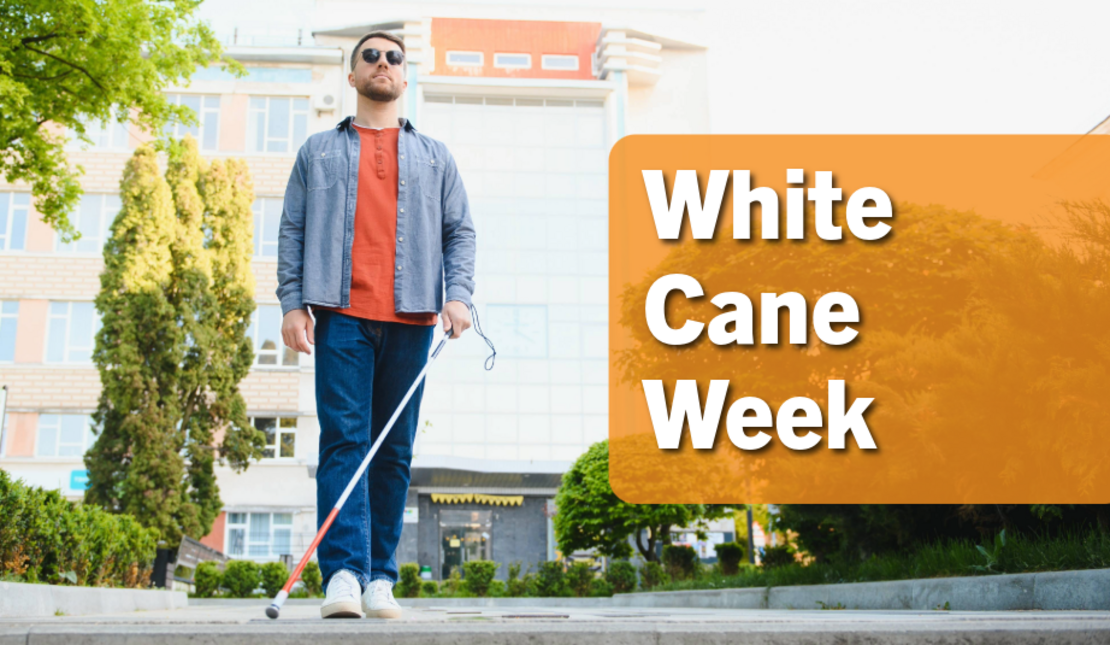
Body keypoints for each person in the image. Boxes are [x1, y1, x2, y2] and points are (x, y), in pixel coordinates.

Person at [276, 30, 476, 619]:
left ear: (404, 76)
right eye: (370, 56)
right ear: (353, 74)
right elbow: (291, 229)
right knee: (344, 442)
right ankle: (343, 574)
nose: (382, 62)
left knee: (393, 452)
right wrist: (291, 302)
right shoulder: (318, 151)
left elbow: (460, 232)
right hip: (339, 316)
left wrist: (458, 296)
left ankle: (380, 578)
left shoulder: (435, 156)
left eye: (393, 57)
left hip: (412, 317)